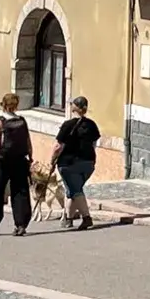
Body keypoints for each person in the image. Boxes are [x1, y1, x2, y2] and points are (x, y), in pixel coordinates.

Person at [0, 92, 32, 236]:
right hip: (21, 160)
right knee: (21, 191)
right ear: (16, 105)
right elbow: (28, 142)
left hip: (4, 160)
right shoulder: (22, 120)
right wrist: (31, 157)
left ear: (3, 105)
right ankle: (21, 224)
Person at [52, 95, 100, 231]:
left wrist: (51, 160)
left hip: (69, 163)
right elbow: (94, 143)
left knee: (75, 190)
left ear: (74, 107)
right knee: (72, 190)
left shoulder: (68, 125)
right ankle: (68, 218)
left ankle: (86, 218)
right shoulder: (92, 125)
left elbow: (58, 146)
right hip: (88, 163)